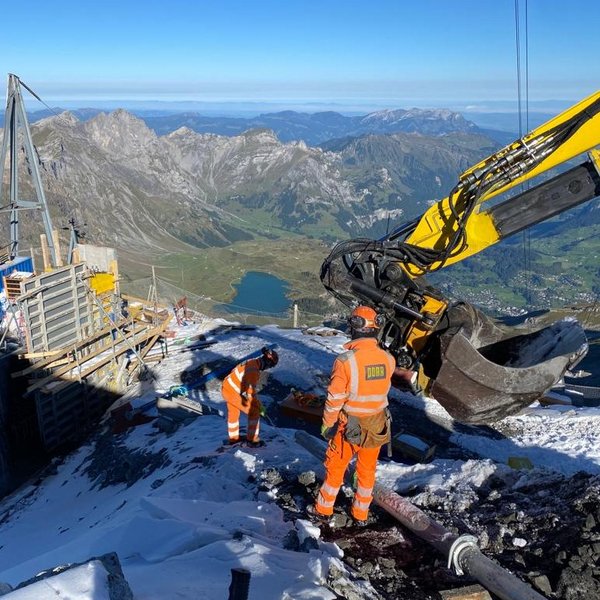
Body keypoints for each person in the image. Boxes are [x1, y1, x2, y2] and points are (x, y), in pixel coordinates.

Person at [307, 306, 395, 526]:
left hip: (349, 426)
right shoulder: (388, 359)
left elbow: (335, 398)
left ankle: (323, 510)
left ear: (355, 327)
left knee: (336, 466)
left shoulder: (345, 361)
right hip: (376, 424)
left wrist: (328, 424)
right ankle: (360, 515)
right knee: (366, 472)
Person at [221, 346, 279, 447]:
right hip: (231, 392)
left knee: (234, 413)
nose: (268, 368)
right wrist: (259, 406)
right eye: (270, 366)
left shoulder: (252, 362)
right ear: (268, 362)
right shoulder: (253, 371)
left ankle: (233, 439)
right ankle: (252, 441)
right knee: (254, 412)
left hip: (228, 388)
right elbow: (250, 393)